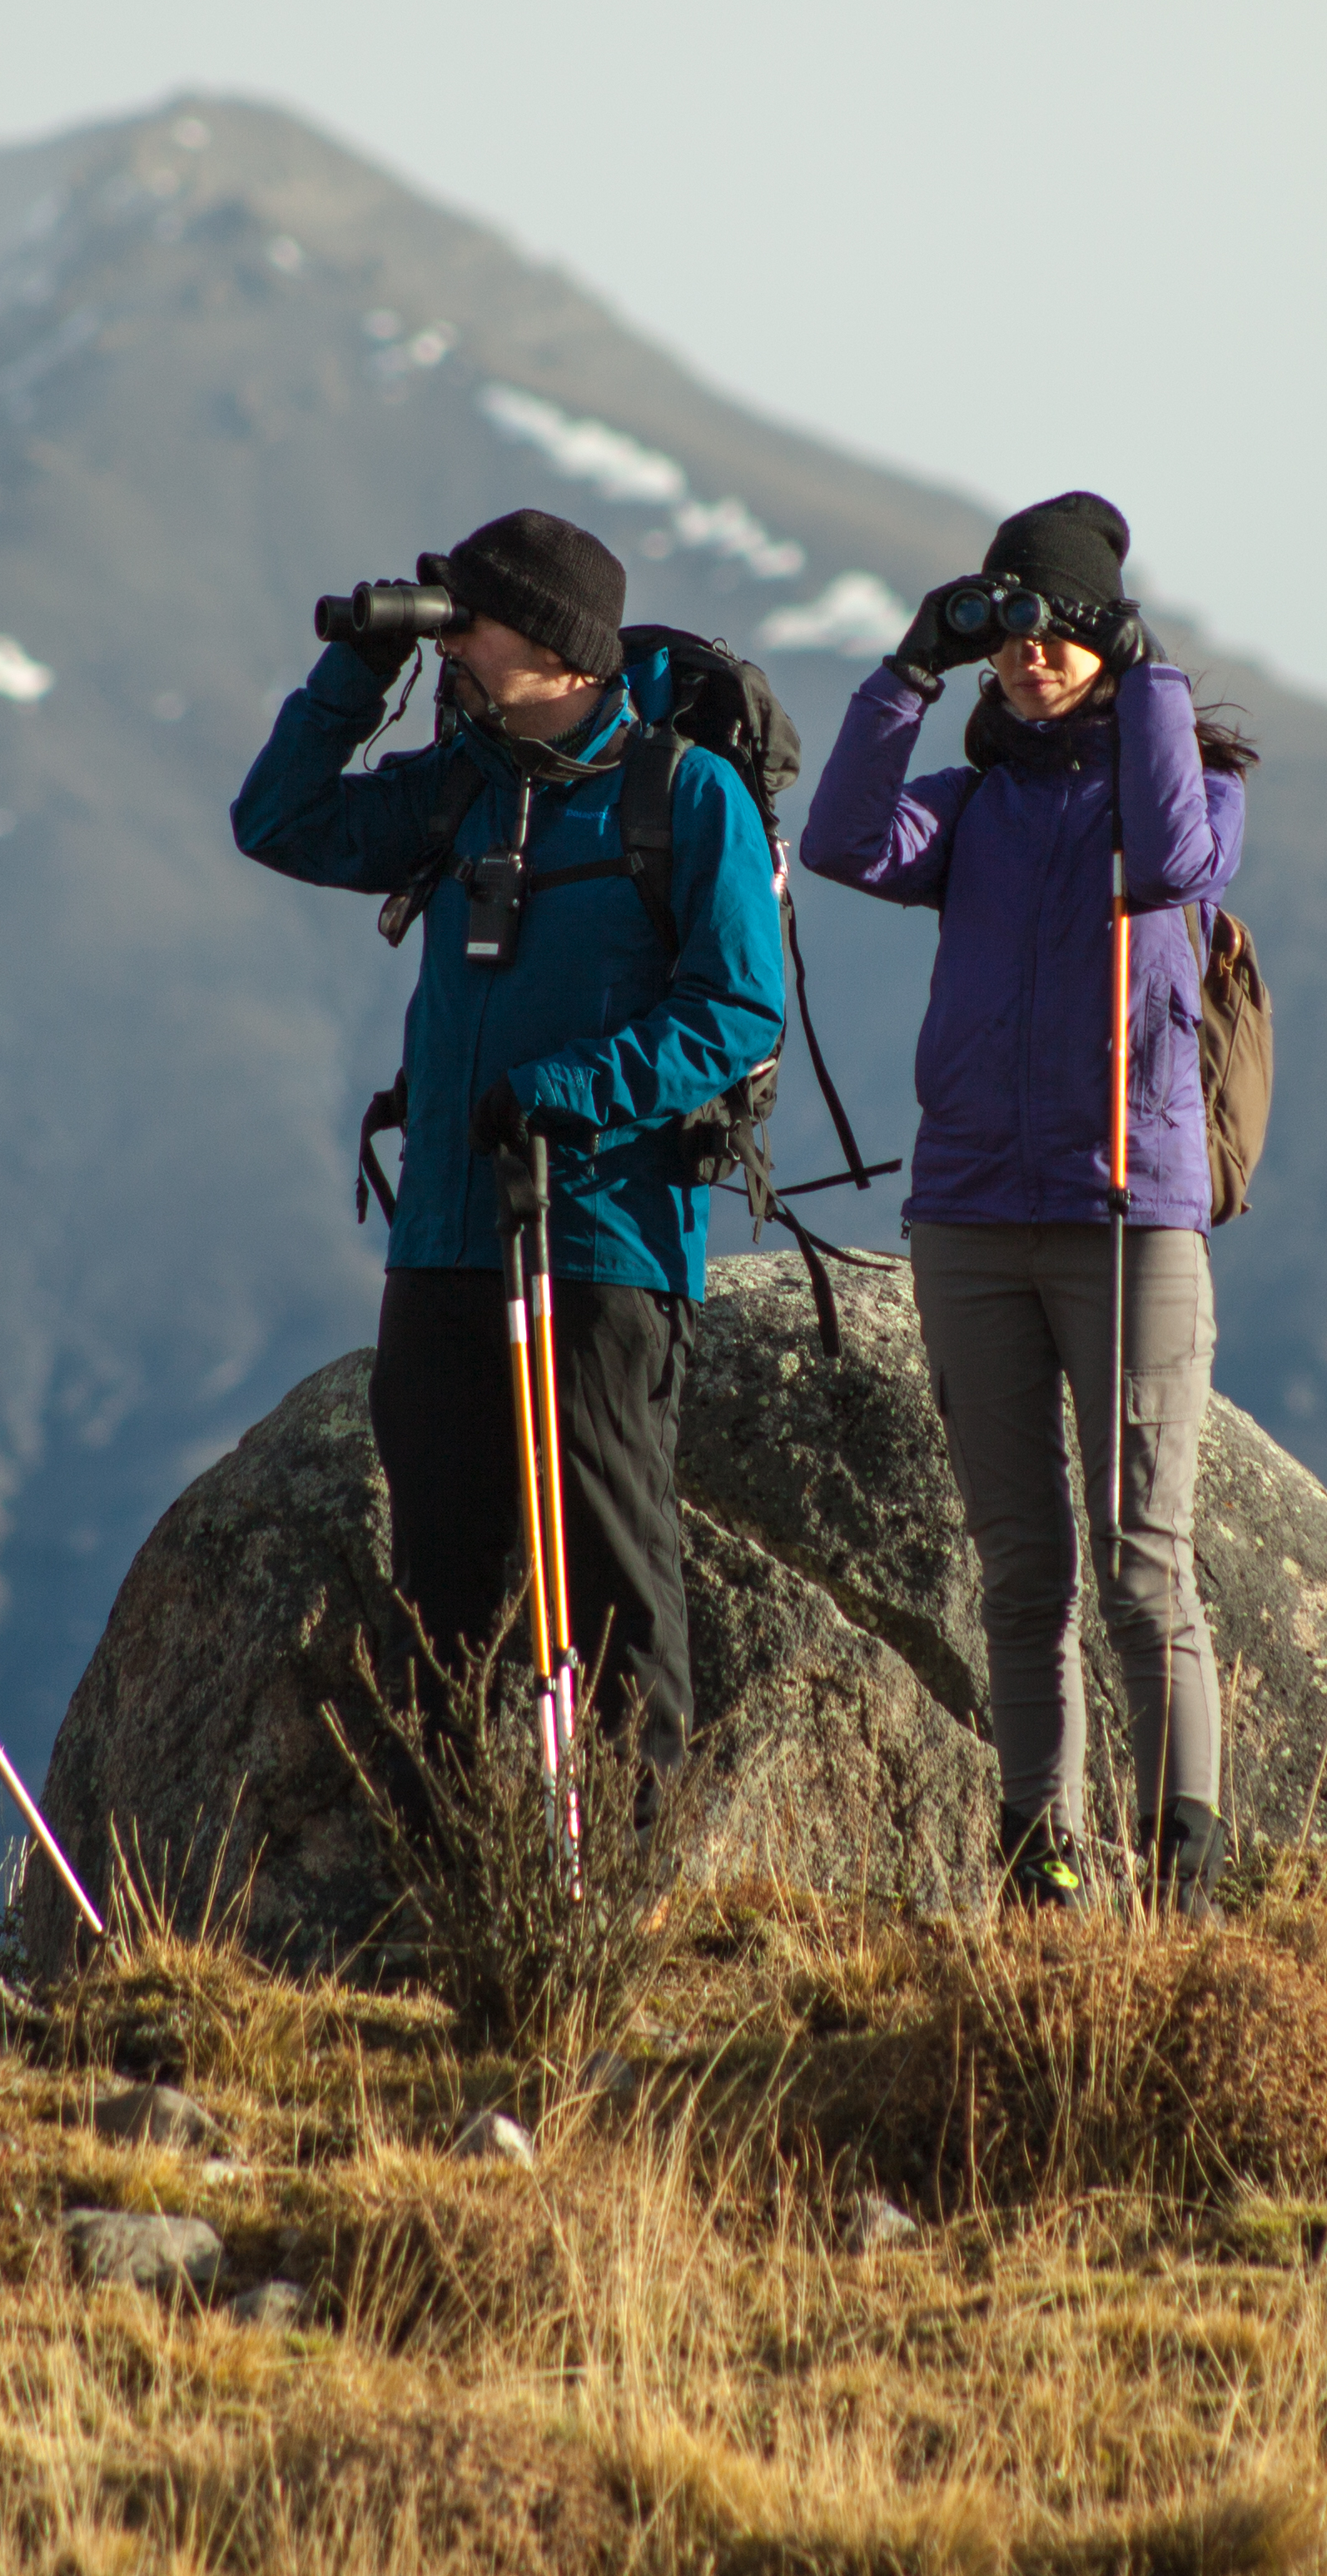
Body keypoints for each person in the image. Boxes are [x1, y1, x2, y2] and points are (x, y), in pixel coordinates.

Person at [232, 506, 788, 1780]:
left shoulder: (684, 795)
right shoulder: (464, 790)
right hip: (444, 1238)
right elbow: (280, 822)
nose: (453, 644)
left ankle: (619, 1890)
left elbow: (739, 1009)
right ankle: (463, 1884)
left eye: (469, 622)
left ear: (556, 645)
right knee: (440, 1583)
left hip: (600, 1241)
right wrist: (356, 669)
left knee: (609, 1575)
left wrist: (574, 1090)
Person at [798, 490, 1254, 1912]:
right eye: (1008, 628)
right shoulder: (973, 804)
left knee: (1139, 1563)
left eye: (1055, 627)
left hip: (1129, 1219)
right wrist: (905, 672)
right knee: (1019, 1569)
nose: (1030, 654)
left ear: (1105, 641)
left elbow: (1177, 859)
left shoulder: (1183, 789)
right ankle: (1036, 1856)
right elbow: (842, 842)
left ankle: (1184, 1867)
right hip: (972, 1218)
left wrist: (1152, 671)